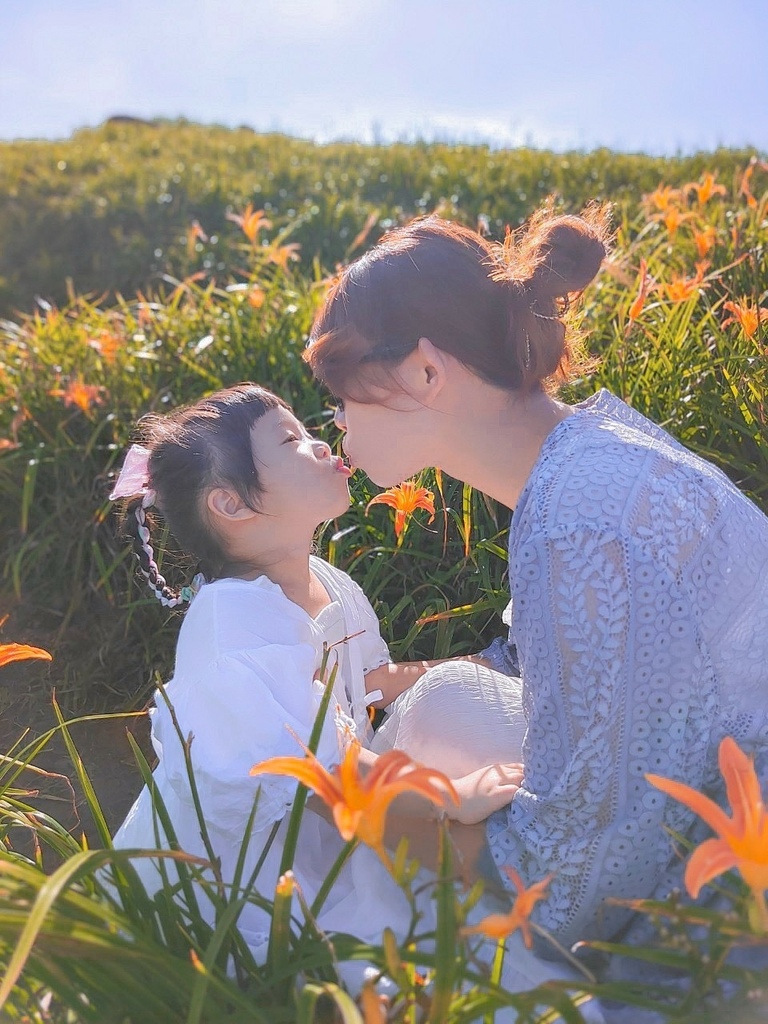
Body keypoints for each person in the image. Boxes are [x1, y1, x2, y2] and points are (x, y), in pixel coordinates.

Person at [303, 207, 768, 963]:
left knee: (392, 948)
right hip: (721, 776)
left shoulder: (578, 525)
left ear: (425, 371)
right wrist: (396, 680)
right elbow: (544, 663)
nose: (335, 425)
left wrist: (361, 803)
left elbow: (567, 884)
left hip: (736, 896)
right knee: (443, 699)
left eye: (343, 391)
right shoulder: (596, 451)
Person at [108, 383, 553, 996]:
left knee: (453, 701)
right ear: (232, 504)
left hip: (329, 815)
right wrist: (448, 795)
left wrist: (474, 668)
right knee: (451, 941)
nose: (319, 443)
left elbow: (364, 689)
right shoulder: (230, 633)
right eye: (290, 441)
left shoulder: (325, 579)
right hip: (250, 885)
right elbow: (327, 780)